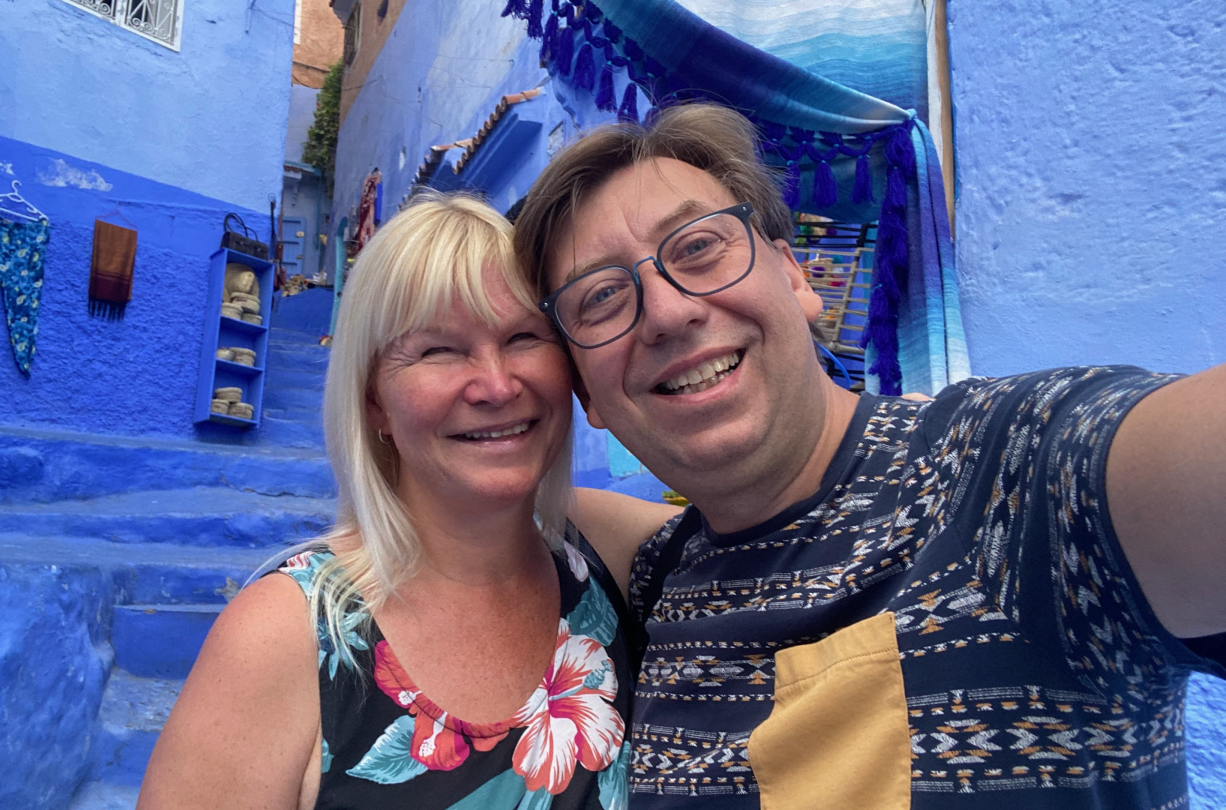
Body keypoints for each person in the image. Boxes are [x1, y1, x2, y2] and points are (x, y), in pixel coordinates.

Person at [512, 102, 1226, 809]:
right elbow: (502, 493)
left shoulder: (1009, 478)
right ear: (589, 398)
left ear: (796, 278)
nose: (668, 312)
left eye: (699, 247)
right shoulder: (662, 578)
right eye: (602, 298)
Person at [139, 192, 677, 809]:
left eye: (525, 337)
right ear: (374, 402)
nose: (498, 385)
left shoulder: (608, 553)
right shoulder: (284, 637)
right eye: (438, 350)